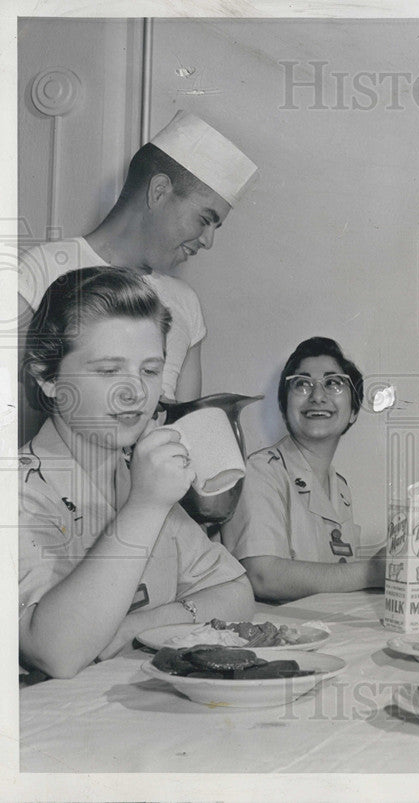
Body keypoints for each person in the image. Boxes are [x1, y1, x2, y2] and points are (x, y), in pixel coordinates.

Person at [19, 267, 255, 680]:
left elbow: (236, 591)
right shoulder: (16, 492)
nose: (136, 392)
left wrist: (132, 629)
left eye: (149, 370)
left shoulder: (135, 476)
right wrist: (145, 506)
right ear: (47, 376)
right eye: (109, 370)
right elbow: (56, 652)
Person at [18, 111, 258, 441]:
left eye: (216, 227)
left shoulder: (185, 303)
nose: (208, 240)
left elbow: (186, 439)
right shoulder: (39, 271)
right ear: (159, 191)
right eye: (205, 219)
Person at [221, 337, 385, 601]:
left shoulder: (340, 488)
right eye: (302, 384)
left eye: (333, 383)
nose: (318, 396)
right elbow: (263, 576)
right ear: (285, 410)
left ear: (354, 411)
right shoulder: (261, 471)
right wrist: (373, 573)